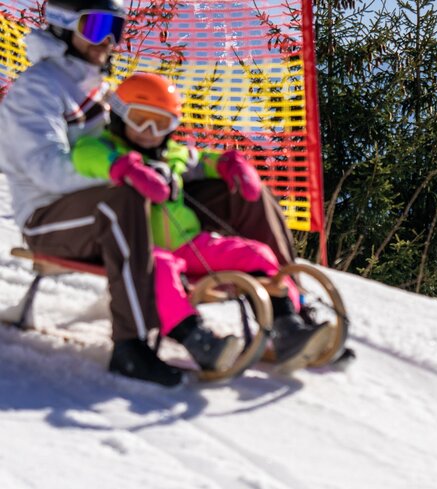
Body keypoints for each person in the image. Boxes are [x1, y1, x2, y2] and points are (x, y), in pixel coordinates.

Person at [72, 72, 331, 373]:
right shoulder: (107, 148)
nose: (149, 131)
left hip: (189, 244)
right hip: (141, 248)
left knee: (257, 254)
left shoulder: (172, 155)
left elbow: (202, 159)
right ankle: (197, 339)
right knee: (160, 271)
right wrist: (123, 168)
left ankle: (289, 324)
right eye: (139, 119)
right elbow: (84, 155)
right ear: (118, 114)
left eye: (161, 123)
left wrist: (229, 163)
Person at [0, 0, 184, 387]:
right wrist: (120, 174)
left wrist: (182, 166)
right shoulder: (37, 89)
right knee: (120, 202)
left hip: (96, 208)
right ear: (64, 25)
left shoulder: (99, 88)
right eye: (96, 27)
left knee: (216, 188)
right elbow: (46, 169)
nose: (107, 41)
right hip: (47, 218)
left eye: (115, 29)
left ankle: (289, 308)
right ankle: (131, 345)